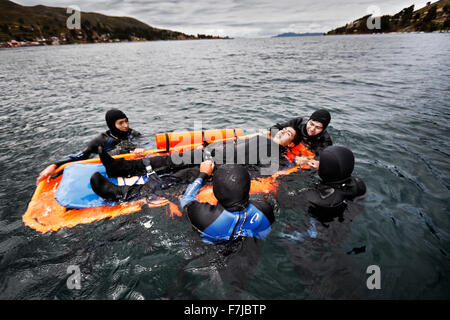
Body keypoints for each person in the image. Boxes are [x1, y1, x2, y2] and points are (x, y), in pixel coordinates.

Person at [89, 126, 300, 202]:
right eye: (284, 129)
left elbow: (263, 172)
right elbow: (234, 145)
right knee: (168, 159)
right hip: (212, 154)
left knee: (178, 178)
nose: (284, 132)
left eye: (289, 133)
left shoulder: (279, 156)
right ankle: (121, 168)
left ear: (291, 142)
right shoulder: (260, 137)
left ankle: (121, 194)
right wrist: (208, 148)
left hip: (219, 167)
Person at [36, 109, 144, 185]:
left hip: (130, 164)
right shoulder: (101, 140)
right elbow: (80, 156)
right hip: (111, 167)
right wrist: (54, 165)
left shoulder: (133, 134)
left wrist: (140, 149)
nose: (126, 126)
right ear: (112, 125)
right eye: (121, 123)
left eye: (126, 121)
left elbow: (143, 145)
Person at [180, 162, 275, 244]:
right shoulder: (265, 210)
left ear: (214, 193)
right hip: (252, 248)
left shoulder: (203, 217)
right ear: (249, 189)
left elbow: (185, 198)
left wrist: (203, 174)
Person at [277, 145, 366, 221]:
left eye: (322, 163)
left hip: (319, 228)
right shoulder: (358, 182)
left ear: (326, 169)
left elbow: (284, 201)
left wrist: (281, 179)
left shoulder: (316, 196)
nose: (318, 163)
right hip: (345, 214)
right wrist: (310, 162)